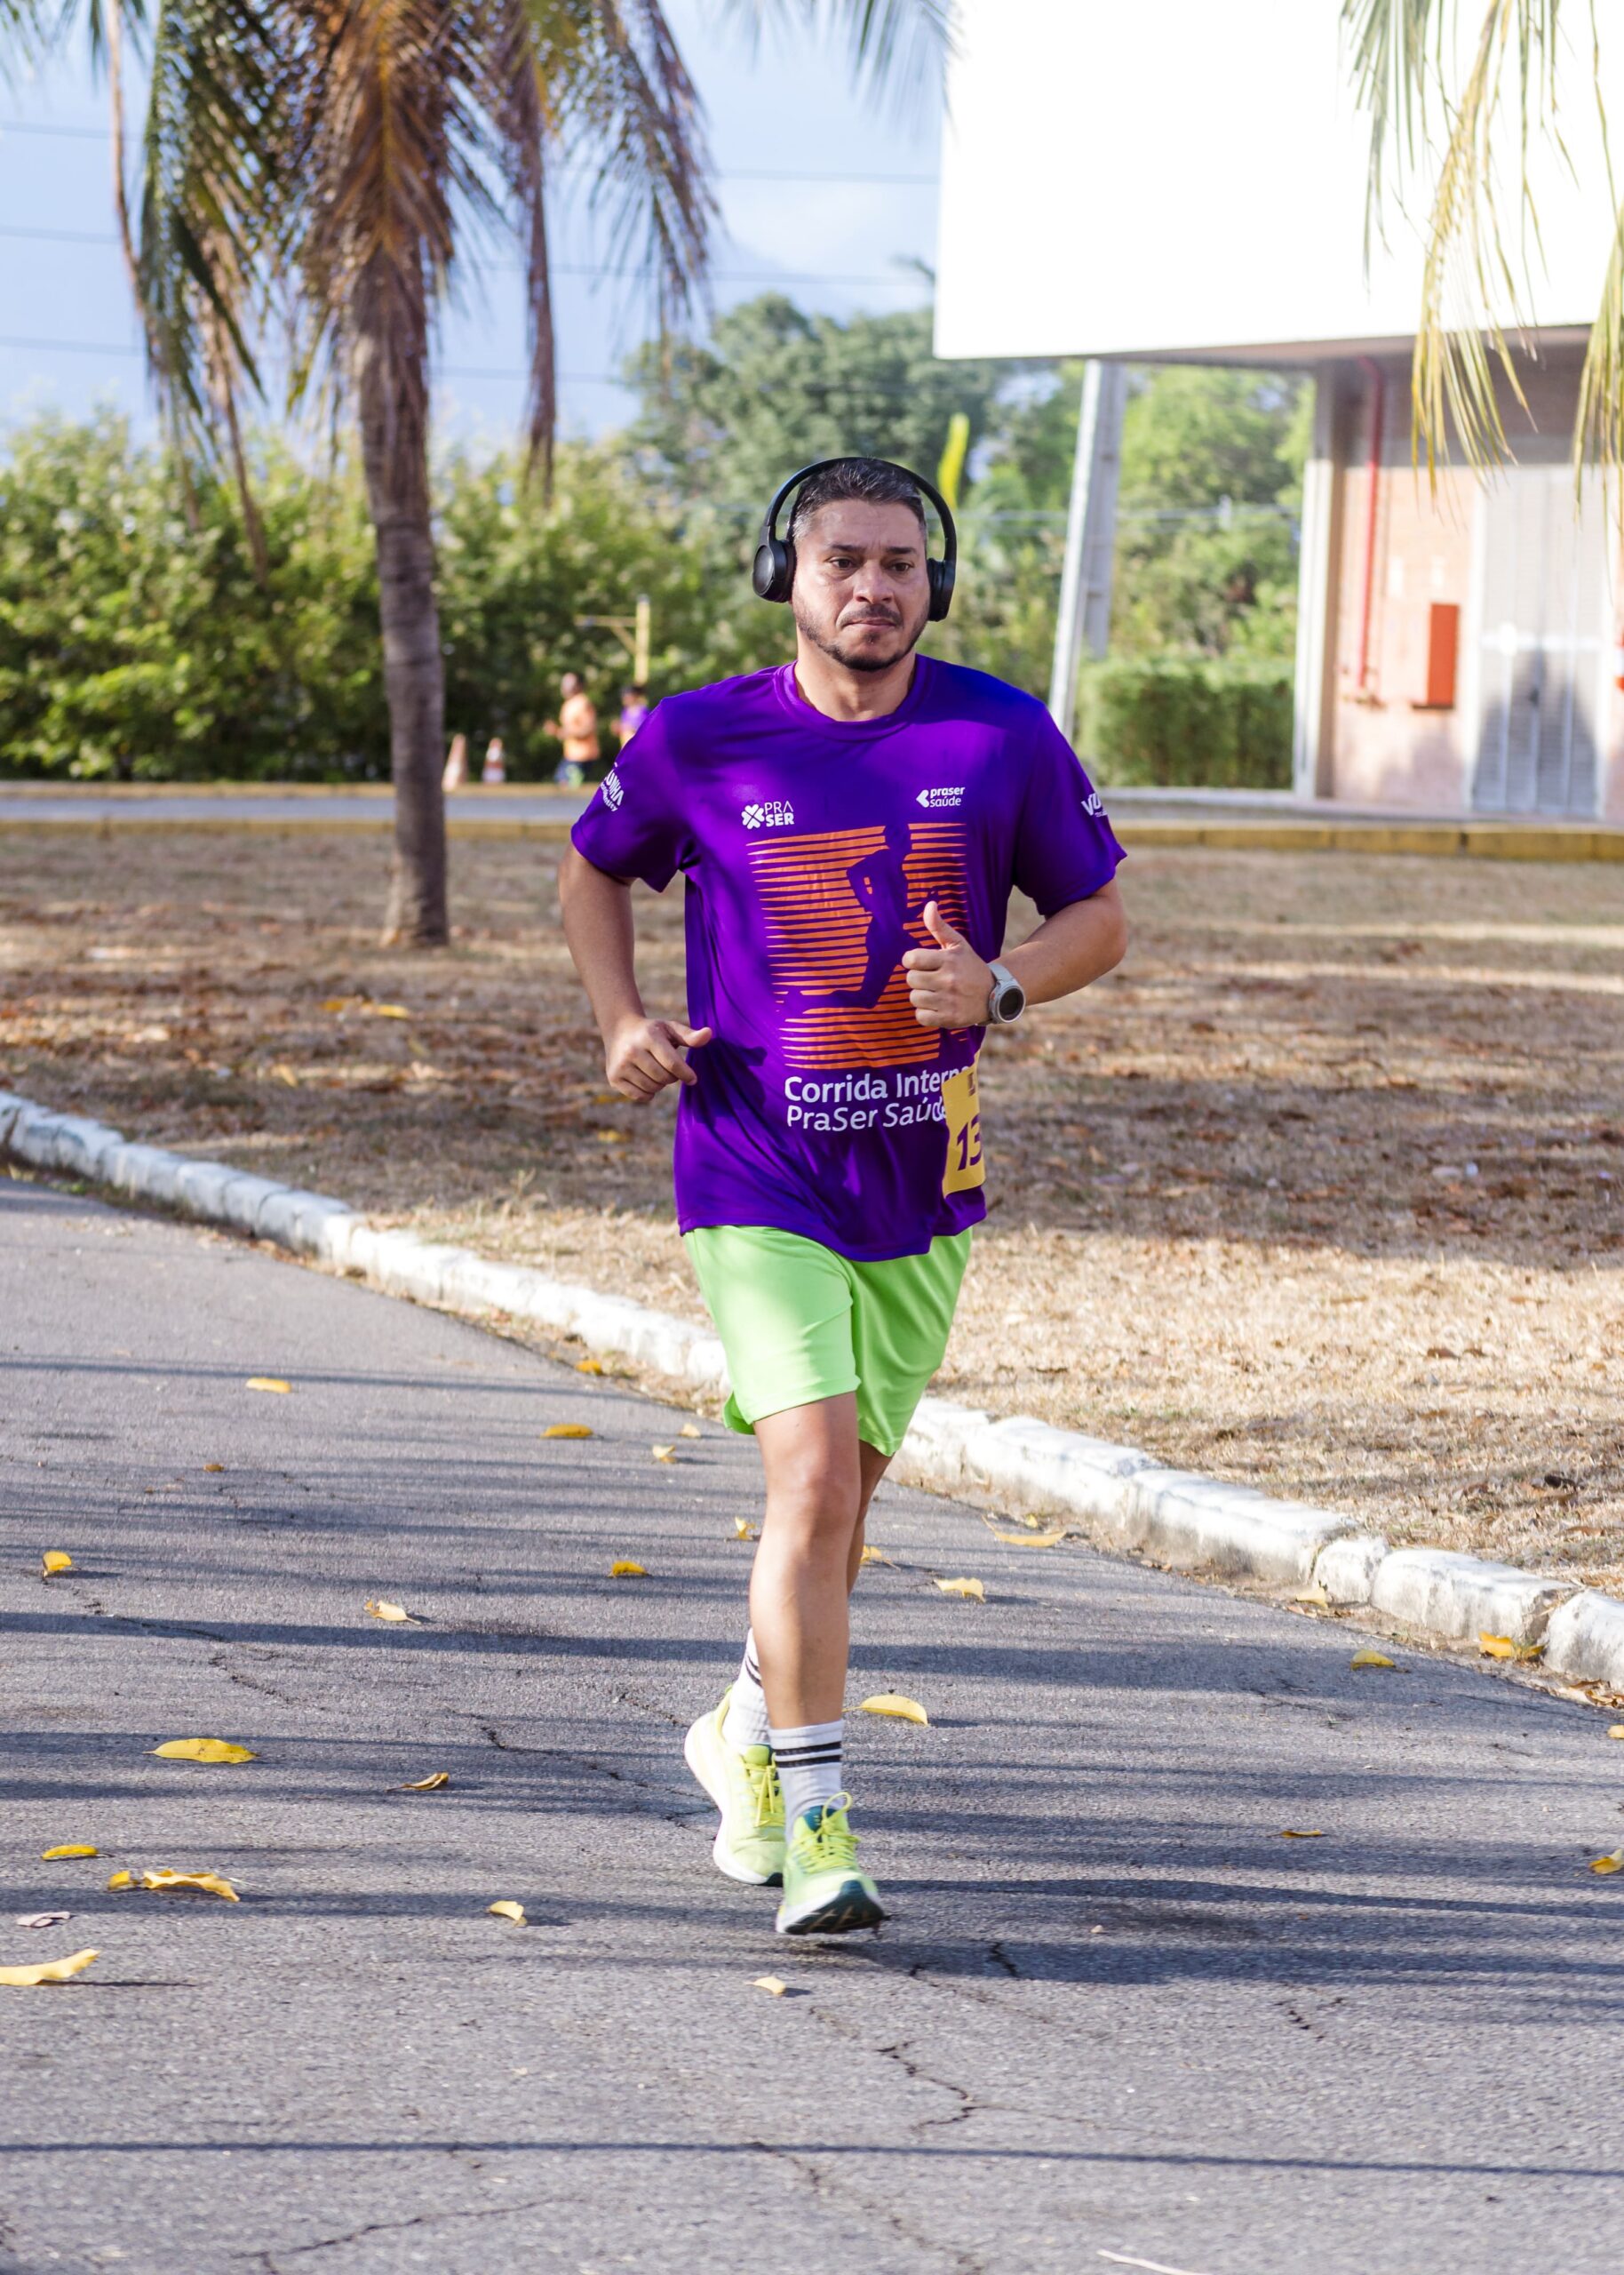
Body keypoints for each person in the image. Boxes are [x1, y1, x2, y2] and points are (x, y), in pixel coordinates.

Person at [560, 456, 1126, 1937]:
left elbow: (1098, 914)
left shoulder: (998, 732)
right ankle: (815, 1824)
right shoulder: (698, 737)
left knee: (842, 1511)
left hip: (923, 1178)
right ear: (786, 578)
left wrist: (1003, 983)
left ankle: (740, 1729)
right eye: (842, 562)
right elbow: (593, 869)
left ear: (931, 583)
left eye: (898, 562)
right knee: (808, 1485)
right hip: (751, 1166)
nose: (872, 586)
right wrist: (619, 1021)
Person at [546, 672, 601, 786]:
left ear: (578, 686)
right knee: (561, 784)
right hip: (571, 755)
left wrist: (565, 732)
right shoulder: (568, 704)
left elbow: (588, 729)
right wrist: (557, 731)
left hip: (582, 756)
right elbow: (569, 731)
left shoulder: (582, 703)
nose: (564, 686)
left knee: (567, 786)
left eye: (568, 683)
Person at [616, 684, 650, 749]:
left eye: (628, 697)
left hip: (641, 745)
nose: (627, 699)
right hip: (627, 746)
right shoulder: (625, 712)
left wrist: (631, 728)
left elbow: (647, 728)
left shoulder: (642, 711)